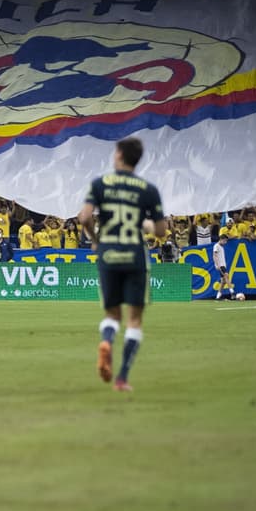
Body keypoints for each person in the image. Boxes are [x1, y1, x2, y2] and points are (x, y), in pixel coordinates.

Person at [77, 137, 167, 393]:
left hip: (108, 254)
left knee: (112, 315)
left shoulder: (100, 183)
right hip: (135, 255)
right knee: (134, 319)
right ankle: (122, 378)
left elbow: (84, 217)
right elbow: (161, 231)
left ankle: (107, 340)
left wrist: (96, 239)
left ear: (118, 155)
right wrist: (147, 225)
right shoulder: (147, 189)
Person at [213, 233, 232, 299]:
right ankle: (232, 293)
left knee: (223, 282)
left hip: (223, 265)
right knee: (227, 276)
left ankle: (218, 296)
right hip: (220, 265)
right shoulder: (216, 246)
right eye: (225, 241)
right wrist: (217, 265)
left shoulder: (221, 247)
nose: (225, 242)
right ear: (221, 239)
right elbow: (214, 255)